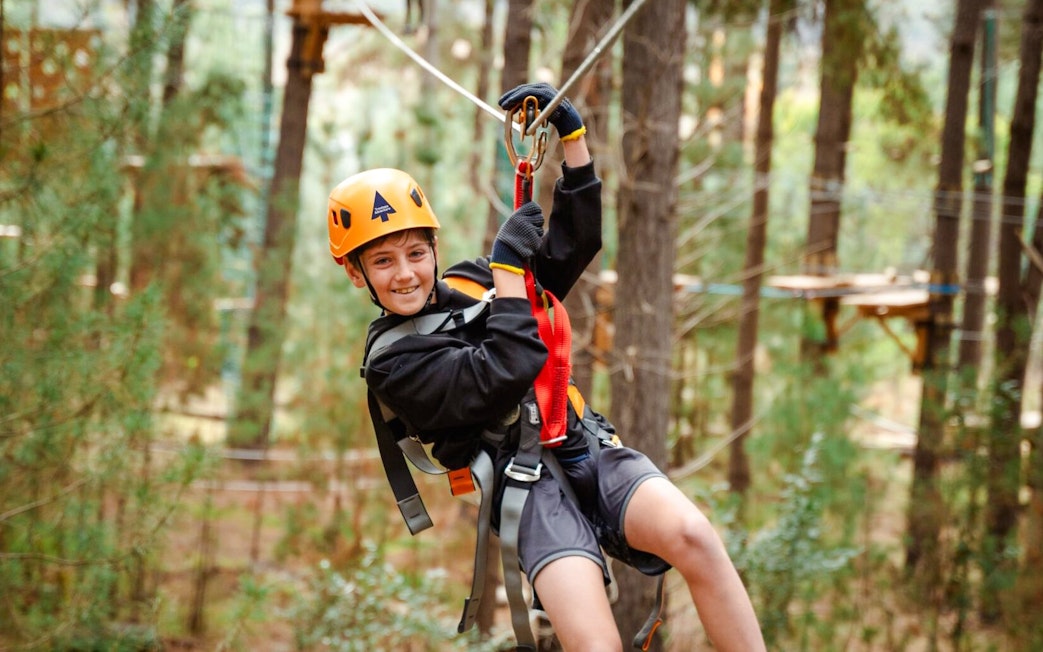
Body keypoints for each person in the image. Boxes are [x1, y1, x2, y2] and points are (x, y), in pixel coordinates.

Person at [327, 83, 766, 652]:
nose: (405, 274)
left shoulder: (470, 282)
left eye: (415, 253)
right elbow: (505, 368)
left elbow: (571, 248)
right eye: (382, 261)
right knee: (595, 645)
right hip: (526, 493)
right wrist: (508, 271)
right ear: (357, 274)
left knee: (696, 538)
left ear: (434, 248)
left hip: (586, 446)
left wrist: (572, 140)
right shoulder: (393, 365)